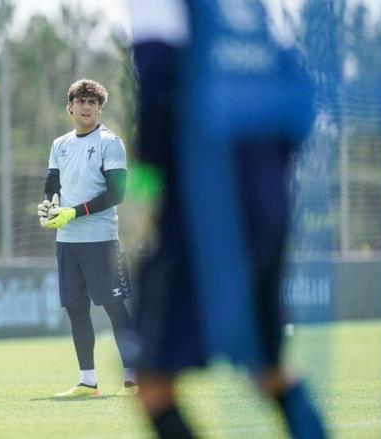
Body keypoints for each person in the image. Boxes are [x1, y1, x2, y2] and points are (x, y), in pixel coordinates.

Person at [126, 0, 327, 437]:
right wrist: (268, 177)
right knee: (270, 371)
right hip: (269, 196)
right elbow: (299, 99)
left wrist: (151, 187)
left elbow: (157, 79)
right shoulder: (249, 11)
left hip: (204, 204)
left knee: (152, 381)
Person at [38, 79, 137, 397]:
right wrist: (50, 207)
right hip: (67, 242)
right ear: (70, 107)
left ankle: (135, 380)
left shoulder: (111, 142)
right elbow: (52, 183)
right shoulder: (60, 144)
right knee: (75, 308)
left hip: (100, 240)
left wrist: (74, 212)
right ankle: (87, 382)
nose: (86, 106)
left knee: (114, 308)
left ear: (100, 108)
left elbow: (117, 193)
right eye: (80, 101)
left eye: (92, 102)